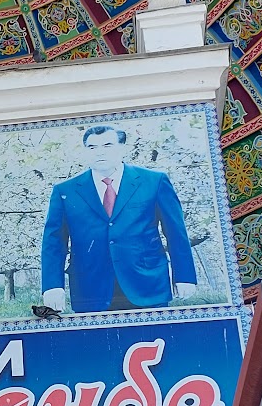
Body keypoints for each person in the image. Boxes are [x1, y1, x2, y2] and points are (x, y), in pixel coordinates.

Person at [41, 124, 196, 312]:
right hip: (90, 289)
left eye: (107, 145)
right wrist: (52, 286)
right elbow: (53, 242)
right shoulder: (65, 191)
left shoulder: (154, 181)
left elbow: (176, 232)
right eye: (92, 147)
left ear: (122, 148)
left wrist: (184, 276)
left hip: (147, 283)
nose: (100, 152)